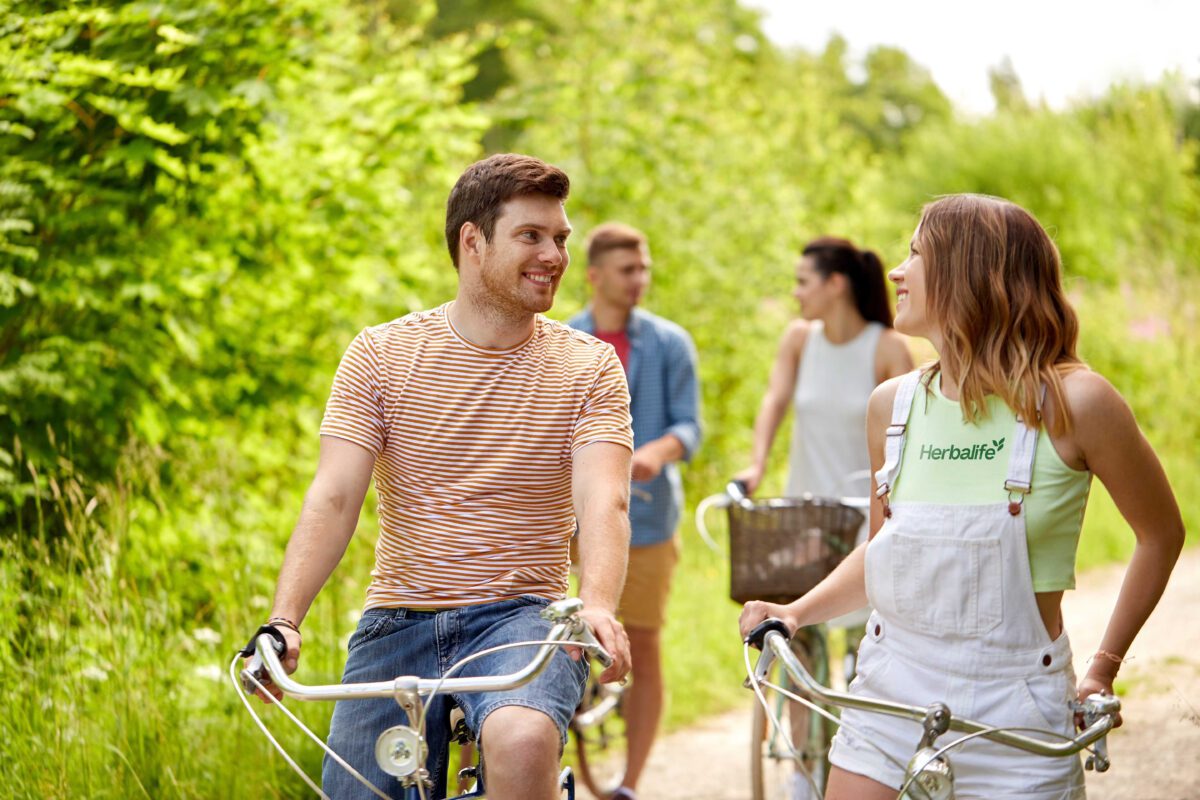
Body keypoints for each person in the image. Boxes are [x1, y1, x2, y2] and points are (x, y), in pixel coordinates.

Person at [740, 194, 1185, 800]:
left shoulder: (1078, 403)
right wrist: (795, 612)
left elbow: (1161, 535)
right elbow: (884, 551)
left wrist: (1103, 669)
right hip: (889, 686)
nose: (896, 271)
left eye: (916, 253)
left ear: (972, 273)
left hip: (1017, 709)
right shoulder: (891, 407)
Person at [248, 154, 634, 800]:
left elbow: (604, 497)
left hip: (524, 617)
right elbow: (336, 494)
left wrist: (595, 604)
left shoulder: (588, 367)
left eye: (560, 238)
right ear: (472, 242)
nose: (554, 255)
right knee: (355, 791)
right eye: (532, 236)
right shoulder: (381, 354)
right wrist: (285, 620)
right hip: (399, 619)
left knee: (521, 739)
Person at [567, 223, 702, 800]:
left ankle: (629, 785)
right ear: (595, 275)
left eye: (643, 268)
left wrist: (657, 451)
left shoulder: (671, 343)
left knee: (642, 647)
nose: (639, 279)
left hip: (646, 523)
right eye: (628, 270)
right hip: (564, 526)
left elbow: (689, 426)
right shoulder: (561, 338)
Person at [736, 236, 913, 499]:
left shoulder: (888, 348)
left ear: (835, 284)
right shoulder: (799, 338)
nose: (796, 292)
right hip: (804, 510)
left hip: (863, 514)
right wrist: (757, 465)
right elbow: (774, 401)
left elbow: (907, 435)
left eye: (803, 282)